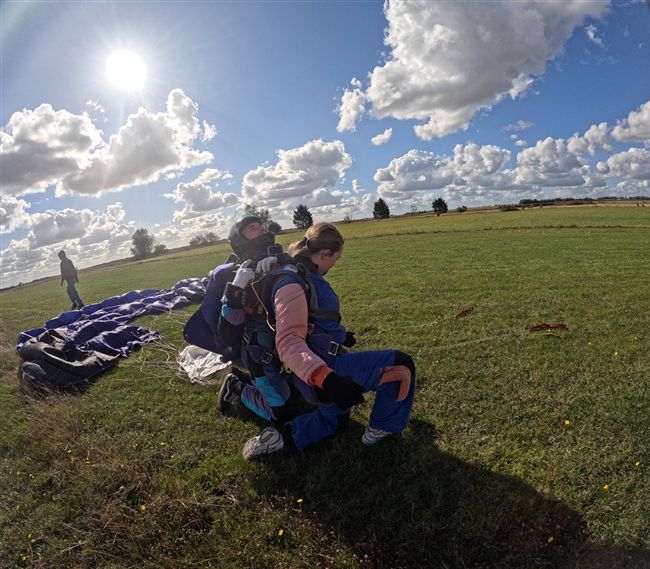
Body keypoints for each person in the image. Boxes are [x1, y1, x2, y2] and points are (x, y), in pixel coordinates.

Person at [242, 222, 416, 459]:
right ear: (324, 253)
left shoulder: (302, 271)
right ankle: (382, 427)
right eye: (335, 258)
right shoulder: (291, 281)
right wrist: (328, 380)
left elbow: (316, 320)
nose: (334, 264)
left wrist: (343, 336)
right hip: (324, 372)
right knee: (401, 365)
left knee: (335, 420)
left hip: (315, 371)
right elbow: (289, 342)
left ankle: (282, 438)